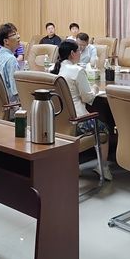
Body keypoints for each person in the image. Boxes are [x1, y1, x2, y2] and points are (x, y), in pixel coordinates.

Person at [52, 40, 112, 180]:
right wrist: (95, 89)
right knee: (104, 128)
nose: (80, 53)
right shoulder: (76, 70)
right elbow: (87, 97)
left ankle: (74, 164)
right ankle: (103, 167)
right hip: (77, 121)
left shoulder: (54, 69)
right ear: (72, 53)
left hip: (58, 120)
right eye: (78, 50)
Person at [0, 23, 21, 105]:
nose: (18, 36)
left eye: (17, 33)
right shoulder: (11, 59)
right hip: (10, 105)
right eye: (14, 34)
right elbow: (16, 91)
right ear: (6, 41)